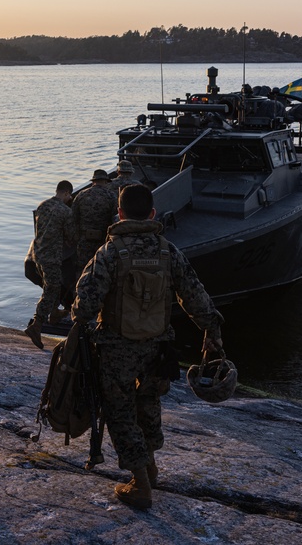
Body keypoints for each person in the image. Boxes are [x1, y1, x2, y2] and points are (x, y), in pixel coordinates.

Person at [71, 184, 224, 510]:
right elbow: (194, 295)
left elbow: (84, 307)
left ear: (120, 214)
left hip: (117, 350)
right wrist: (211, 328)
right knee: (149, 404)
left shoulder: (110, 253)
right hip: (158, 349)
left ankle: (140, 484)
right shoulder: (168, 252)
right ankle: (151, 467)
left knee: (121, 413)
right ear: (152, 214)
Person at [25, 180, 76, 349]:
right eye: (70, 196)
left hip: (37, 254)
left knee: (51, 284)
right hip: (52, 257)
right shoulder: (66, 211)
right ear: (67, 193)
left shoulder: (43, 205)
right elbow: (70, 237)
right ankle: (36, 326)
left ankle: (54, 313)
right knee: (52, 288)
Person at [71, 169, 118, 270]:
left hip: (84, 240)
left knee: (83, 268)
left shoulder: (81, 195)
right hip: (103, 240)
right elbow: (115, 219)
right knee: (102, 267)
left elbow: (73, 218)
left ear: (93, 181)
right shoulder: (111, 196)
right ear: (105, 181)